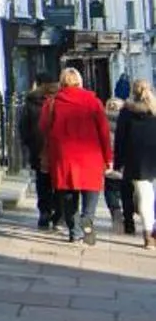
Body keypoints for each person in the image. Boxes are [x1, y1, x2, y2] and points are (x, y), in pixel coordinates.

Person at [40, 67, 113, 243]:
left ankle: (74, 230)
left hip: (63, 156)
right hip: (90, 154)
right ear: (80, 82)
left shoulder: (52, 103)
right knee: (91, 191)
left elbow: (43, 129)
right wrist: (108, 158)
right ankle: (87, 221)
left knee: (68, 194)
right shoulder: (93, 102)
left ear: (61, 82)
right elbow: (104, 132)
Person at [113, 79, 156, 249]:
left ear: (132, 92)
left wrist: (118, 163)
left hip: (137, 161)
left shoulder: (126, 112)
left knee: (145, 198)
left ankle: (148, 235)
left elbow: (120, 139)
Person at [18, 79, 58, 229]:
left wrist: (28, 143)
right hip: (57, 148)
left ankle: (44, 211)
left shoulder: (31, 102)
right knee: (57, 182)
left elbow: (23, 126)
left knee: (42, 181)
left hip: (37, 146)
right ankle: (57, 211)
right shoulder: (59, 101)